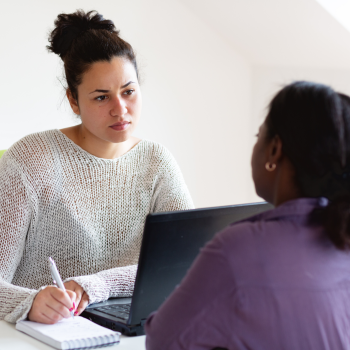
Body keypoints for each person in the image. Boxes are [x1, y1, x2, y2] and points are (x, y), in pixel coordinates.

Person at [0, 10, 193, 325]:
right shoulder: (30, 160)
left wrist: (96, 286)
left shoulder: (157, 162)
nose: (121, 110)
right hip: (44, 333)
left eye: (128, 91)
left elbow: (185, 263)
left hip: (128, 326)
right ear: (74, 101)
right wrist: (31, 301)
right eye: (102, 97)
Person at [145, 81, 350, 350]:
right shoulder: (341, 235)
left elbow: (162, 341)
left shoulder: (238, 249)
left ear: (274, 150)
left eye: (258, 136)